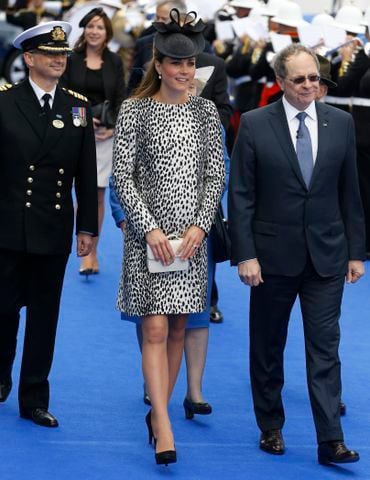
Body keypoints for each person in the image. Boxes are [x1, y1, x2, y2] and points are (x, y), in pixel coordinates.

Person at [228, 43, 365, 465]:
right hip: (271, 258)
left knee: (326, 348)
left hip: (327, 255)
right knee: (268, 345)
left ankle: (331, 439)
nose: (309, 85)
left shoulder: (341, 123)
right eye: (300, 79)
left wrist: (356, 252)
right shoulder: (254, 124)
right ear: (282, 82)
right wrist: (245, 254)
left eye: (315, 78)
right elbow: (241, 195)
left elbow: (350, 192)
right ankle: (270, 426)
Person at [112, 9, 225, 466]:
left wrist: (200, 226)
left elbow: (214, 175)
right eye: (175, 64)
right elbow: (123, 175)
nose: (184, 72)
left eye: (190, 64)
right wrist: (150, 227)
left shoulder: (206, 110)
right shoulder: (134, 109)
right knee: (155, 325)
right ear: (157, 65)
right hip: (148, 238)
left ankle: (158, 414)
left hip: (192, 240)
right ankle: (164, 422)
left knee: (180, 325)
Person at [0, 21, 98, 427]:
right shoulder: (5, 102)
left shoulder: (77, 107)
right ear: (29, 59)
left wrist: (88, 228)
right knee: (3, 311)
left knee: (45, 315)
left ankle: (34, 396)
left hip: (53, 225)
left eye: (63, 55)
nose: (60, 60)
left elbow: (86, 174)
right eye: (51, 54)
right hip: (6, 225)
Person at [61, 7, 126, 276]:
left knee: (97, 194)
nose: (94, 31)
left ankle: (91, 253)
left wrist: (113, 128)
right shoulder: (71, 60)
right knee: (76, 192)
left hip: (106, 136)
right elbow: (63, 96)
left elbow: (123, 99)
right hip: (76, 132)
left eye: (99, 27)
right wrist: (85, 120)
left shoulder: (115, 61)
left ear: (107, 33)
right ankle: (77, 245)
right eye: (90, 26)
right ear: (84, 30)